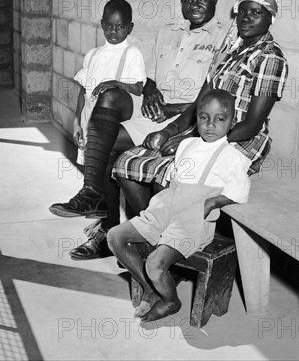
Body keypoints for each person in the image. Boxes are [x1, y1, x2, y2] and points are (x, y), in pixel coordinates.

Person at [50, 0, 229, 261]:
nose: (194, 4)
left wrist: (179, 110)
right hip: (155, 111)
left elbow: (216, 98)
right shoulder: (168, 31)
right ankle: (95, 201)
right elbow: (151, 78)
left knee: (108, 145)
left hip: (188, 120)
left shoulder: (225, 39)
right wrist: (151, 89)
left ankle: (122, 231)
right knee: (108, 97)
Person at [114, 0, 289, 222]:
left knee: (168, 174)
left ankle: (173, 238)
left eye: (257, 13)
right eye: (243, 11)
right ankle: (155, 231)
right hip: (206, 130)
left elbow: (252, 125)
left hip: (239, 140)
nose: (247, 18)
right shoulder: (230, 50)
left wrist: (190, 140)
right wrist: (168, 131)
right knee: (126, 163)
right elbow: (200, 102)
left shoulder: (270, 58)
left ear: (271, 18)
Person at [107, 89, 251, 322]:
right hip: (165, 210)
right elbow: (172, 180)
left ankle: (171, 301)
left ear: (231, 122)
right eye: (204, 118)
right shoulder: (187, 145)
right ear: (197, 119)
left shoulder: (233, 157)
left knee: (154, 264)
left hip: (191, 221)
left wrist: (210, 203)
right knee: (115, 237)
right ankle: (152, 290)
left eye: (220, 119)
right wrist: (159, 209)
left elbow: (240, 192)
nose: (210, 125)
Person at [49, 0, 146, 220]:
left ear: (130, 28)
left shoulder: (131, 53)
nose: (114, 31)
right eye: (109, 25)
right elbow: (83, 92)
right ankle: (101, 207)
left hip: (119, 112)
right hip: (92, 118)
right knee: (99, 167)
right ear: (102, 24)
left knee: (108, 100)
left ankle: (91, 194)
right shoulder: (93, 55)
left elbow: (139, 88)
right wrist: (76, 121)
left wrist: (116, 83)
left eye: (120, 26)